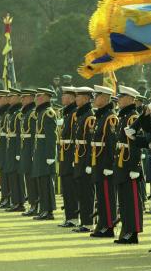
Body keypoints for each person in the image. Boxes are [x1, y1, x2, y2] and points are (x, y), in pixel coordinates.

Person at [113, 85, 143, 244]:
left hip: (129, 163)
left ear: (131, 99)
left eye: (121, 97)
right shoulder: (124, 117)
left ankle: (132, 232)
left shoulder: (132, 117)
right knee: (124, 200)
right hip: (121, 162)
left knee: (131, 200)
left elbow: (136, 144)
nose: (118, 100)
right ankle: (126, 230)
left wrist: (135, 167)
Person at [90, 85, 118, 238]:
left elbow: (112, 143)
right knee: (101, 195)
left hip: (105, 163)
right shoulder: (101, 116)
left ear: (105, 98)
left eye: (97, 96)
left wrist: (109, 165)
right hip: (98, 161)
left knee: (107, 195)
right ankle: (102, 223)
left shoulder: (110, 117)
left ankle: (109, 226)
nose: (95, 99)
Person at [70, 87, 96, 232]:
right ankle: (84, 221)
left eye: (78, 97)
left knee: (87, 193)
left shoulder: (89, 116)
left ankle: (89, 222)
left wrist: (88, 163)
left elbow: (90, 142)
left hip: (85, 160)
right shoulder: (81, 115)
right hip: (79, 158)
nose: (76, 99)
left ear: (86, 99)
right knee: (81, 191)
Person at [32, 88, 58, 220]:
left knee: (47, 183)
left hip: (45, 154)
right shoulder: (41, 112)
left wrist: (50, 156)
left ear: (45, 97)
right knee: (41, 182)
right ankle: (43, 209)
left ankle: (48, 211)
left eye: (38, 96)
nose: (35, 99)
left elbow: (51, 137)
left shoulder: (49, 113)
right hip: (40, 153)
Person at [57, 86, 78, 227]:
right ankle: (69, 216)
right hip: (64, 153)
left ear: (71, 98)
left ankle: (73, 217)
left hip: (70, 154)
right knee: (66, 187)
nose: (62, 98)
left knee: (71, 188)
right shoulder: (67, 113)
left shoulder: (74, 114)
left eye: (64, 95)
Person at [4, 88, 25, 212]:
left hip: (15, 149)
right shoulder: (12, 114)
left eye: (12, 96)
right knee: (12, 174)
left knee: (17, 176)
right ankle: (15, 201)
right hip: (10, 148)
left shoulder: (18, 114)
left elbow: (19, 135)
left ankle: (20, 202)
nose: (9, 99)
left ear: (18, 98)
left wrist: (18, 152)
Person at [18, 89, 38, 216]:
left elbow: (34, 135)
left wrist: (32, 153)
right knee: (28, 178)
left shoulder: (33, 114)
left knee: (32, 178)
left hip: (31, 150)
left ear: (31, 98)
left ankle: (36, 204)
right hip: (25, 149)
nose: (22, 100)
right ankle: (32, 204)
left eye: (24, 97)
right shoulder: (26, 113)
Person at [0, 90, 12, 208]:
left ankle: (9, 198)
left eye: (1, 97)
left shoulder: (8, 114)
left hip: (8, 148)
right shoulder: (4, 114)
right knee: (3, 173)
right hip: (3, 148)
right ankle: (5, 197)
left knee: (9, 175)